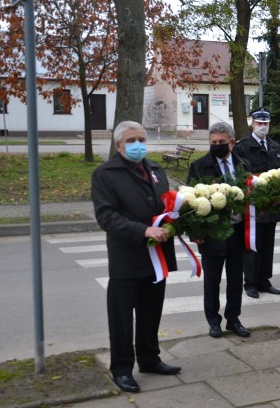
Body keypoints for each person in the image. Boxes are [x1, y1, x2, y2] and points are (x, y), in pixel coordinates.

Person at [91, 121, 181, 393]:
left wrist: (176, 222)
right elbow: (107, 217)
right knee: (121, 319)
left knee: (150, 313)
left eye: (141, 138)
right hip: (127, 258)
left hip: (156, 257)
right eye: (131, 140)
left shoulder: (154, 169)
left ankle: (149, 359)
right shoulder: (105, 174)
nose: (137, 144)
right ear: (118, 146)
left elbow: (165, 205)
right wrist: (143, 231)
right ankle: (121, 370)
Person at [187, 121, 252, 338]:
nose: (217, 145)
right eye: (213, 142)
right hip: (212, 234)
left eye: (221, 142)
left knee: (235, 279)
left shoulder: (243, 164)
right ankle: (213, 321)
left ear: (232, 143)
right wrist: (195, 233)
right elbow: (190, 204)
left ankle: (233, 319)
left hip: (236, 232)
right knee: (212, 281)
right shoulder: (198, 166)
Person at [233, 107, 280, 299]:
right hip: (253, 204)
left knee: (268, 245)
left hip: (271, 203)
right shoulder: (242, 147)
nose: (262, 126)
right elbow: (239, 175)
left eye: (265, 123)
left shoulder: (276, 147)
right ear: (252, 123)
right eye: (259, 123)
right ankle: (251, 282)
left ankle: (265, 280)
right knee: (252, 244)